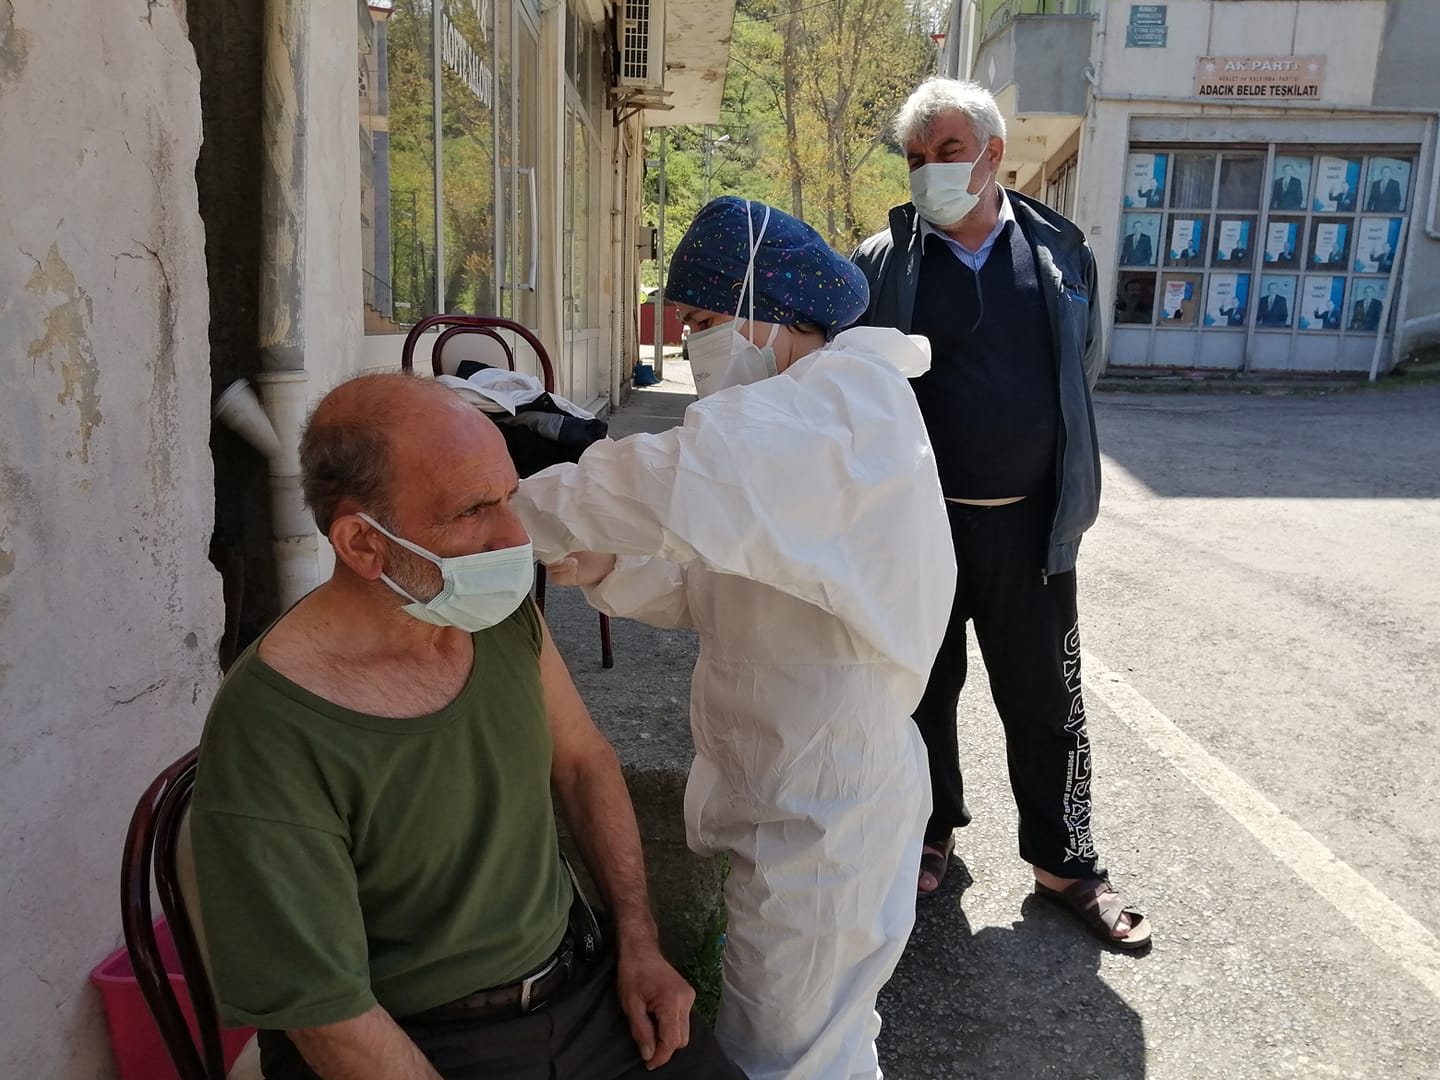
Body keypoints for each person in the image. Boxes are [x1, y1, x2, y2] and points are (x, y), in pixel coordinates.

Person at [190, 374, 747, 1080]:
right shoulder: (273, 727)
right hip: (420, 1043)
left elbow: (583, 763)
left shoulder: (491, 615)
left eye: (510, 496)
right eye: (474, 510)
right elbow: (325, 1014)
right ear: (363, 544)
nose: (515, 537)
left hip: (584, 990)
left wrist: (638, 940)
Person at [512, 196, 955, 1080]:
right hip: (787, 792)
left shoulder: (838, 409)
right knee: (807, 1042)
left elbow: (680, 478)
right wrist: (603, 565)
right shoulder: (795, 424)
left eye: (706, 321)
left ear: (776, 313)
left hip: (824, 816)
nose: (691, 346)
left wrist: (504, 511)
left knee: (787, 1060)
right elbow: (710, 588)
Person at [850, 77, 1151, 951]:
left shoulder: (1061, 254)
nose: (930, 171)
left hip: (1032, 528)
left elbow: (1076, 371)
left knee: (1047, 700)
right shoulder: (881, 261)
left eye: (947, 151)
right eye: (916, 157)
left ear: (994, 154)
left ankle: (1065, 866)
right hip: (917, 527)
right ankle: (926, 830)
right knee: (916, 693)